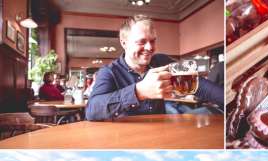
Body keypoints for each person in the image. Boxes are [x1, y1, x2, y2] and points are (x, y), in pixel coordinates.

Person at [86, 14, 224, 121]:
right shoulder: (109, 72)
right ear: (124, 43)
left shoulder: (161, 61)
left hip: (162, 133)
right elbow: (92, 110)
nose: (149, 47)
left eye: (152, 41)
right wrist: (138, 92)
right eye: (142, 42)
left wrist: (230, 102)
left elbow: (199, 85)